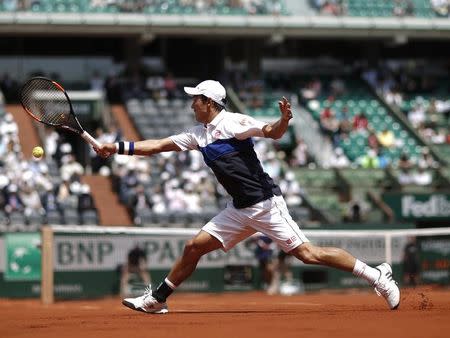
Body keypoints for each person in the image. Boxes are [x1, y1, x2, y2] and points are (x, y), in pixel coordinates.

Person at [95, 79, 400, 314]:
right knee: (193, 248)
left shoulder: (233, 123)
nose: (191, 105)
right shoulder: (198, 134)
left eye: (195, 100)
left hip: (266, 205)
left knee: (308, 254)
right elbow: (159, 145)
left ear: (209, 102)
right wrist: (118, 148)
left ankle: (377, 276)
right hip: (239, 209)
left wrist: (283, 121)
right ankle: (158, 300)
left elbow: (271, 131)